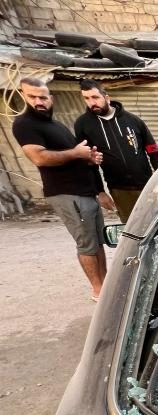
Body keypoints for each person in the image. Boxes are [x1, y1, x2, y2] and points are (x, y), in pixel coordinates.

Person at [12, 76, 107, 301]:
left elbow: (73, 155)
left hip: (84, 192)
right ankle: (98, 290)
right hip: (68, 194)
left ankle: (106, 284)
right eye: (33, 97)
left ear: (51, 98)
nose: (39, 102)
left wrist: (88, 158)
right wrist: (76, 153)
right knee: (86, 244)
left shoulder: (55, 125)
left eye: (43, 97)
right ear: (23, 97)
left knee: (97, 241)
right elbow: (40, 157)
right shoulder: (25, 124)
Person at [74, 79, 158, 224]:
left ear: (106, 98)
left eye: (95, 97)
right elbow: (89, 163)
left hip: (147, 185)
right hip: (119, 190)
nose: (92, 102)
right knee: (131, 228)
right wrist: (100, 192)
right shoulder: (83, 125)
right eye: (87, 98)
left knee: (157, 223)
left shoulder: (132, 120)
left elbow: (154, 151)